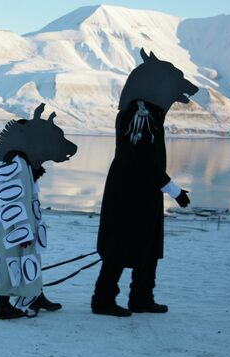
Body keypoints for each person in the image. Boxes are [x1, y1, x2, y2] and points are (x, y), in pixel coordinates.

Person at [92, 49, 197, 317]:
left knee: (147, 246)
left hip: (138, 190)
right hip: (130, 192)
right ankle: (104, 300)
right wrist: (173, 189)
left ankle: (141, 297)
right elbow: (140, 159)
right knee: (121, 246)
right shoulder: (142, 115)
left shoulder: (142, 112)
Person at [0, 103, 77, 319]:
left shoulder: (22, 163)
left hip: (22, 223)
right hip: (13, 226)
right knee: (9, 258)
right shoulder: (15, 164)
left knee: (29, 257)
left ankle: (34, 294)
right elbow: (12, 201)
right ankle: (2, 304)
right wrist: (21, 231)